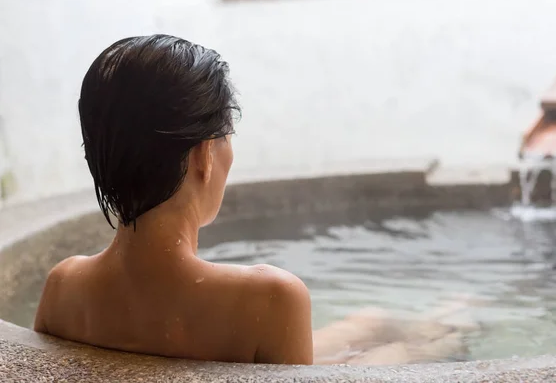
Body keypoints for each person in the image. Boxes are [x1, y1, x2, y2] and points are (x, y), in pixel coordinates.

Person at [34, 34, 472, 365]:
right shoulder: (269, 298)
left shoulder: (63, 286)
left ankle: (437, 322)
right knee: (413, 348)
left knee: (372, 322)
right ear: (205, 154)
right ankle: (456, 324)